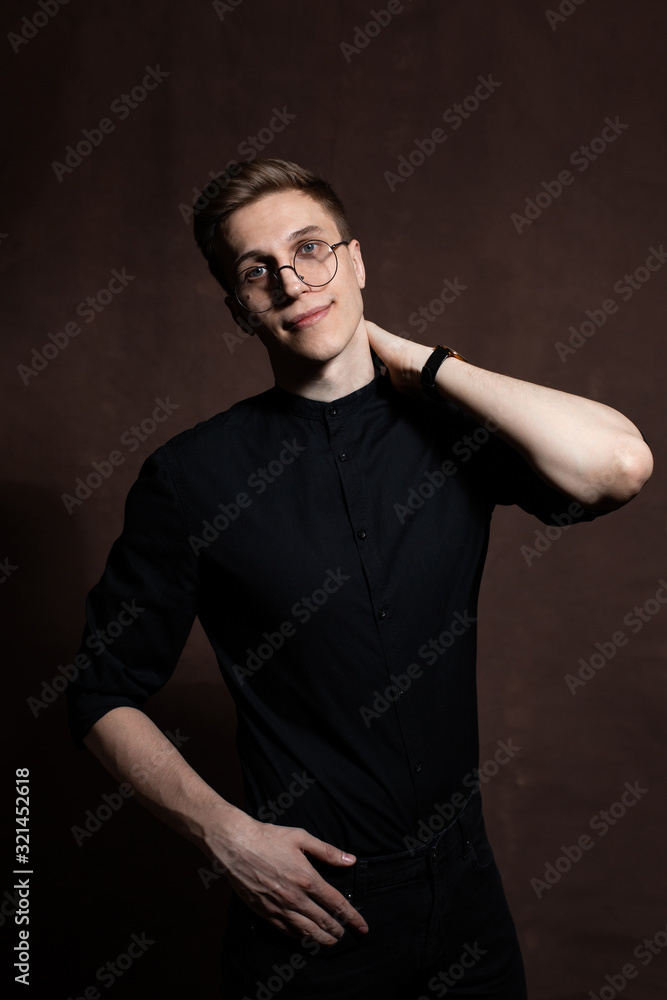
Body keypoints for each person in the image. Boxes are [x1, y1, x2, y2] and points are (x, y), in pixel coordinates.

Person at [66, 158, 652, 999]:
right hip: (308, 921)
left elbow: (619, 464)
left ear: (356, 259)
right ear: (239, 308)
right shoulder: (189, 478)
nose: (293, 281)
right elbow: (98, 691)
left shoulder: (452, 428)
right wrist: (225, 836)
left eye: (311, 249)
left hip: (466, 902)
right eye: (257, 270)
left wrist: (416, 359)